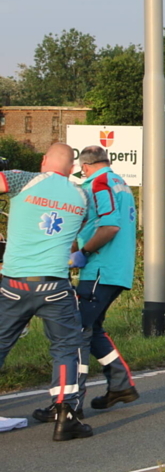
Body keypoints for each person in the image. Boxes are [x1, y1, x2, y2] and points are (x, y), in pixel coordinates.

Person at [34, 145, 139, 423]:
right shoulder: (119, 183)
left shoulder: (100, 184)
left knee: (75, 330)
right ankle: (120, 384)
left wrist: (84, 252)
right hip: (115, 269)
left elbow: (110, 226)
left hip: (101, 269)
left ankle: (70, 403)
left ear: (85, 167)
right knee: (91, 329)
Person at [0, 143, 92, 441]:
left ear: (43, 161)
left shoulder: (24, 179)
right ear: (72, 169)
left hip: (15, 281)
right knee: (66, 347)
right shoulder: (82, 195)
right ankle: (66, 415)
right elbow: (76, 234)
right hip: (55, 283)